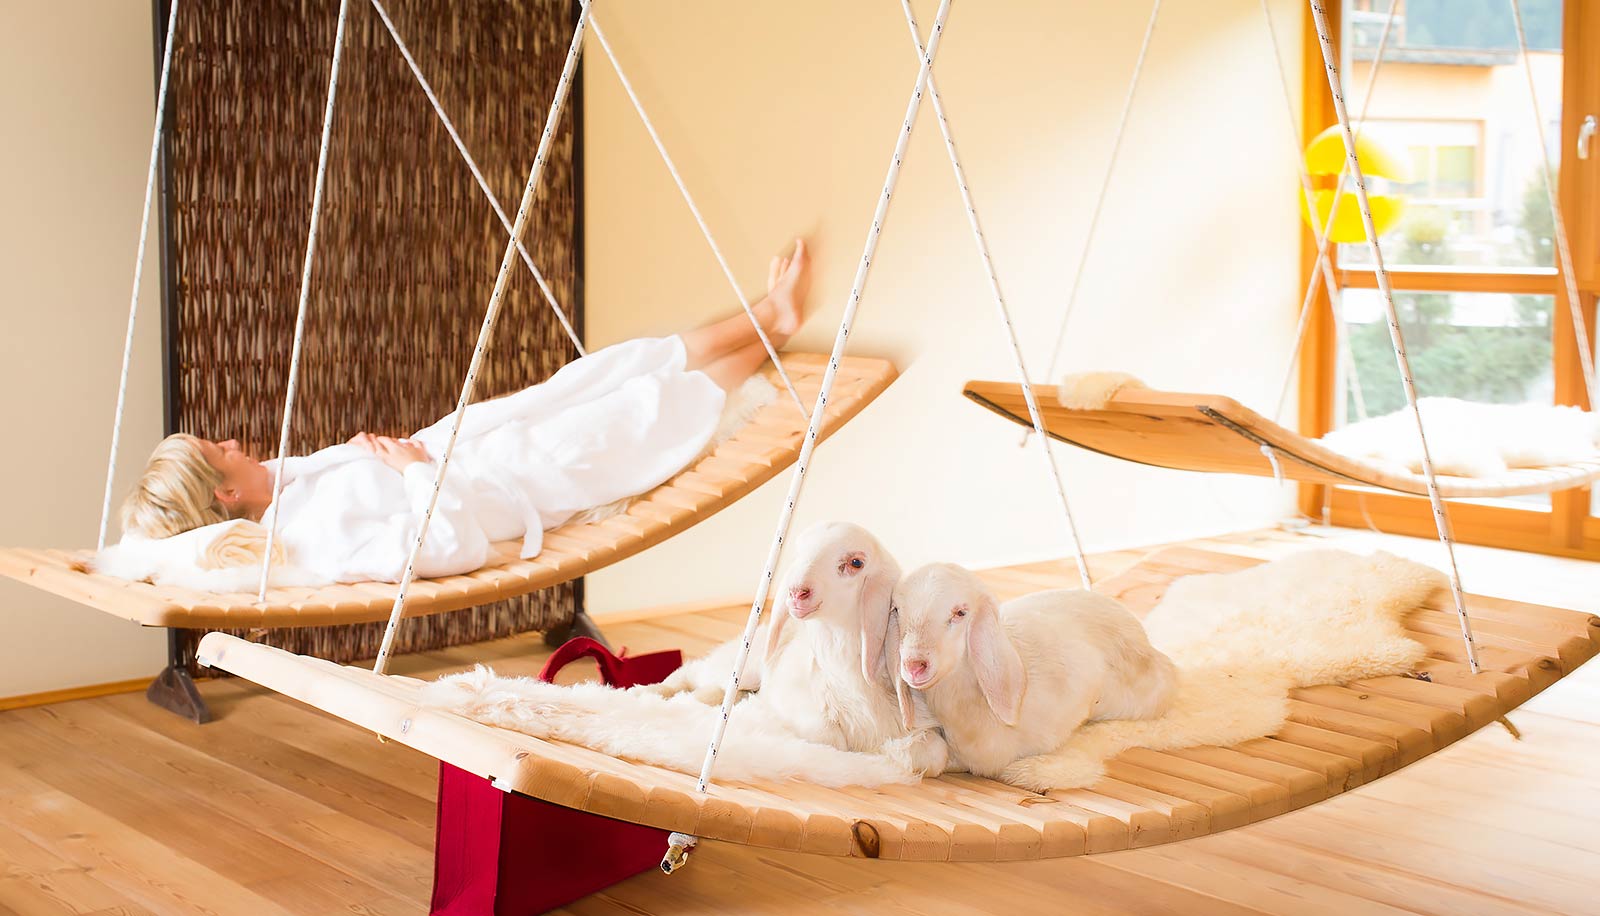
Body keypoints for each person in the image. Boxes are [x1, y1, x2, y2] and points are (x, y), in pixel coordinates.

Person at [116, 240, 812, 584]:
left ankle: (771, 315)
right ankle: (771, 329)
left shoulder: (285, 491)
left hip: (479, 440)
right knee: (648, 410)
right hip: (523, 478)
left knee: (612, 368)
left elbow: (291, 475)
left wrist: (371, 452)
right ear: (226, 492)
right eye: (220, 450)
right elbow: (449, 551)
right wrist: (417, 471)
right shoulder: (312, 544)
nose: (234, 439)